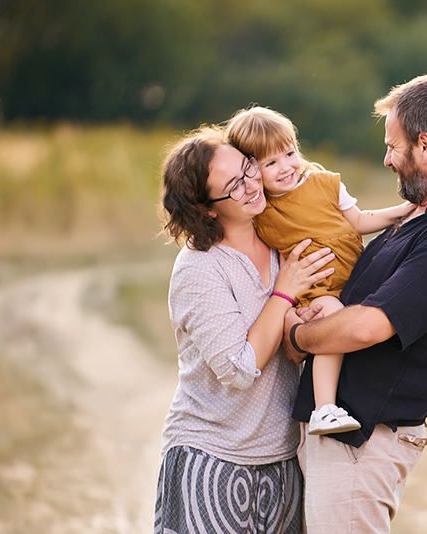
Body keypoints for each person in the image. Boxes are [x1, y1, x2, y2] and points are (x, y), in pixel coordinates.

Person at [282, 72, 427, 533]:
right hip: (341, 438)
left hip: (363, 443)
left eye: (392, 146)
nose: (386, 160)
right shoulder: (418, 216)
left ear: (424, 145)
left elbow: (368, 326)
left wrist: (297, 337)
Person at [153, 125, 335, 534]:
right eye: (233, 185)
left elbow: (292, 343)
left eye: (248, 168)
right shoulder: (199, 268)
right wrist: (284, 295)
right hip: (211, 458)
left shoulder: (281, 245)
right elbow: (238, 368)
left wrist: (303, 328)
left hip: (285, 460)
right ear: (206, 209)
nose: (252, 184)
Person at [226, 106, 413, 436]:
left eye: (289, 153)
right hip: (317, 293)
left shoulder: (325, 183)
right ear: (252, 171)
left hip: (355, 276)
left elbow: (360, 220)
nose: (285, 167)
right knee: (333, 322)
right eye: (271, 163)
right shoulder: (261, 211)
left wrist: (404, 211)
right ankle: (324, 408)